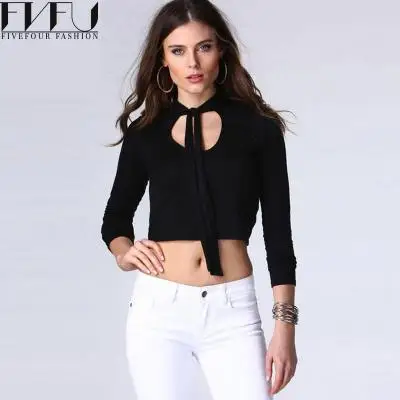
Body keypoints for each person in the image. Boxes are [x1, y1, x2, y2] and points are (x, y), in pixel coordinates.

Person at [100, 1, 299, 399]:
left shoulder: (259, 130)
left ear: (220, 50)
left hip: (232, 311)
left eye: (204, 47)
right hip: (158, 311)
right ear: (163, 58)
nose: (192, 62)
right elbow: (115, 220)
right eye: (178, 51)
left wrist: (285, 328)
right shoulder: (145, 134)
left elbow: (279, 235)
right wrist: (124, 253)